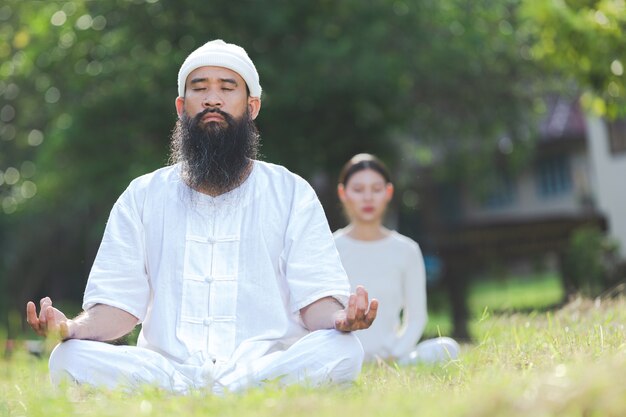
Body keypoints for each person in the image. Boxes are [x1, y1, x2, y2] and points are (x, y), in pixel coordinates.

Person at [25, 40, 378, 394]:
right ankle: (227, 394)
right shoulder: (143, 195)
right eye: (200, 88)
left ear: (251, 106)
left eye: (227, 88)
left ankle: (234, 389)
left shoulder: (290, 192)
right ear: (181, 107)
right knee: (67, 358)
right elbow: (119, 306)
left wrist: (340, 320)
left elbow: (314, 300)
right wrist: (71, 329)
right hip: (168, 370)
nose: (213, 99)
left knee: (343, 347)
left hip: (263, 364)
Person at [333, 154, 459, 365]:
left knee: (448, 348)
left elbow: (417, 318)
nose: (368, 198)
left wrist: (393, 355)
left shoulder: (407, 250)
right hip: (341, 356)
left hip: (393, 355)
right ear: (343, 193)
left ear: (388, 192)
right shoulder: (330, 248)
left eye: (376, 189)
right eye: (358, 190)